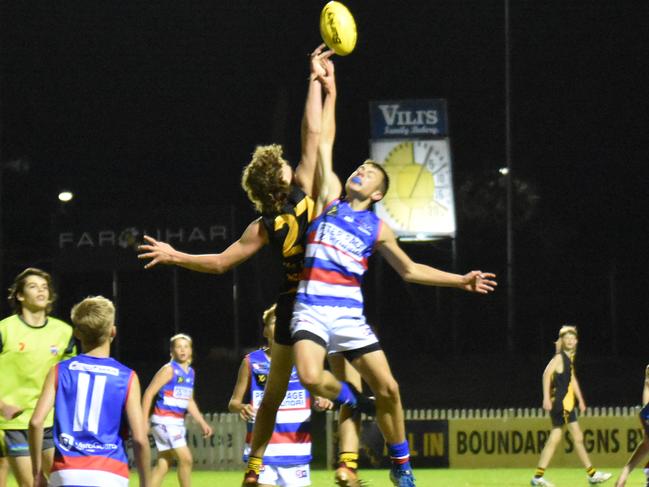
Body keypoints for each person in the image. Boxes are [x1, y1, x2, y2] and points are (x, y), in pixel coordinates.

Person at [137, 45, 366, 487]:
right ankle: (349, 463)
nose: (287, 163)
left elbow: (222, 262)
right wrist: (317, 84)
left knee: (274, 393)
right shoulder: (303, 188)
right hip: (323, 296)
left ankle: (254, 467)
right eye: (280, 163)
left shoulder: (264, 224)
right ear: (278, 178)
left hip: (289, 303)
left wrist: (176, 255)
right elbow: (313, 134)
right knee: (349, 385)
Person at [286, 55, 498, 487]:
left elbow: (410, 269)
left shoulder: (377, 226)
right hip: (311, 311)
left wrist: (461, 280)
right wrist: (326, 88)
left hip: (348, 317)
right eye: (359, 167)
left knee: (391, 389)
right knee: (310, 376)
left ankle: (401, 465)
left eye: (369, 171)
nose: (360, 170)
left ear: (379, 192)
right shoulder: (329, 200)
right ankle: (353, 402)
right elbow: (317, 137)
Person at [27, 296, 150, 487]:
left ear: (77, 333)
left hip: (67, 472)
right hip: (110, 473)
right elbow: (140, 439)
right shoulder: (127, 377)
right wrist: (146, 483)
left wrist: (37, 474)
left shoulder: (60, 370)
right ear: (113, 331)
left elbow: (36, 423)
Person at [229, 303, 333, 487]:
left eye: (286, 322)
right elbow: (233, 403)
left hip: (296, 449)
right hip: (263, 451)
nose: (280, 326)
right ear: (265, 331)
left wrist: (321, 400)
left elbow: (318, 394)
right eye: (275, 322)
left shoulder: (304, 361)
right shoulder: (252, 362)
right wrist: (241, 407)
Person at [0, 268, 77, 487]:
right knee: (33, 484)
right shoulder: (5, 330)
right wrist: (2, 405)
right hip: (13, 423)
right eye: (33, 286)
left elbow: (68, 378)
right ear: (20, 295)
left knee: (60, 481)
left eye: (44, 287)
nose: (41, 290)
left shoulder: (64, 332)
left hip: (50, 421)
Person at [530, 325, 611, 486]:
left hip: (566, 404)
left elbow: (572, 380)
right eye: (567, 338)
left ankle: (538, 477)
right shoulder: (560, 357)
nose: (570, 341)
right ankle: (592, 475)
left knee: (556, 438)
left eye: (572, 338)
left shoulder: (569, 358)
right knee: (577, 437)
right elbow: (546, 374)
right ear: (563, 341)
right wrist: (546, 397)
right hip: (562, 404)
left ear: (576, 341)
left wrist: (580, 400)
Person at [141, 333, 213, 487]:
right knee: (186, 459)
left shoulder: (191, 373)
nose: (182, 350)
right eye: (178, 347)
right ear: (171, 352)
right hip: (164, 421)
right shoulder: (169, 370)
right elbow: (148, 393)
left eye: (186, 346)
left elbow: (189, 400)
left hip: (176, 423)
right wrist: (143, 421)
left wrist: (202, 423)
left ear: (191, 350)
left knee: (164, 463)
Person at [614, 365, 649, 487]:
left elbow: (647, 386)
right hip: (646, 413)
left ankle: (623, 476)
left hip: (646, 413)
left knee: (646, 443)